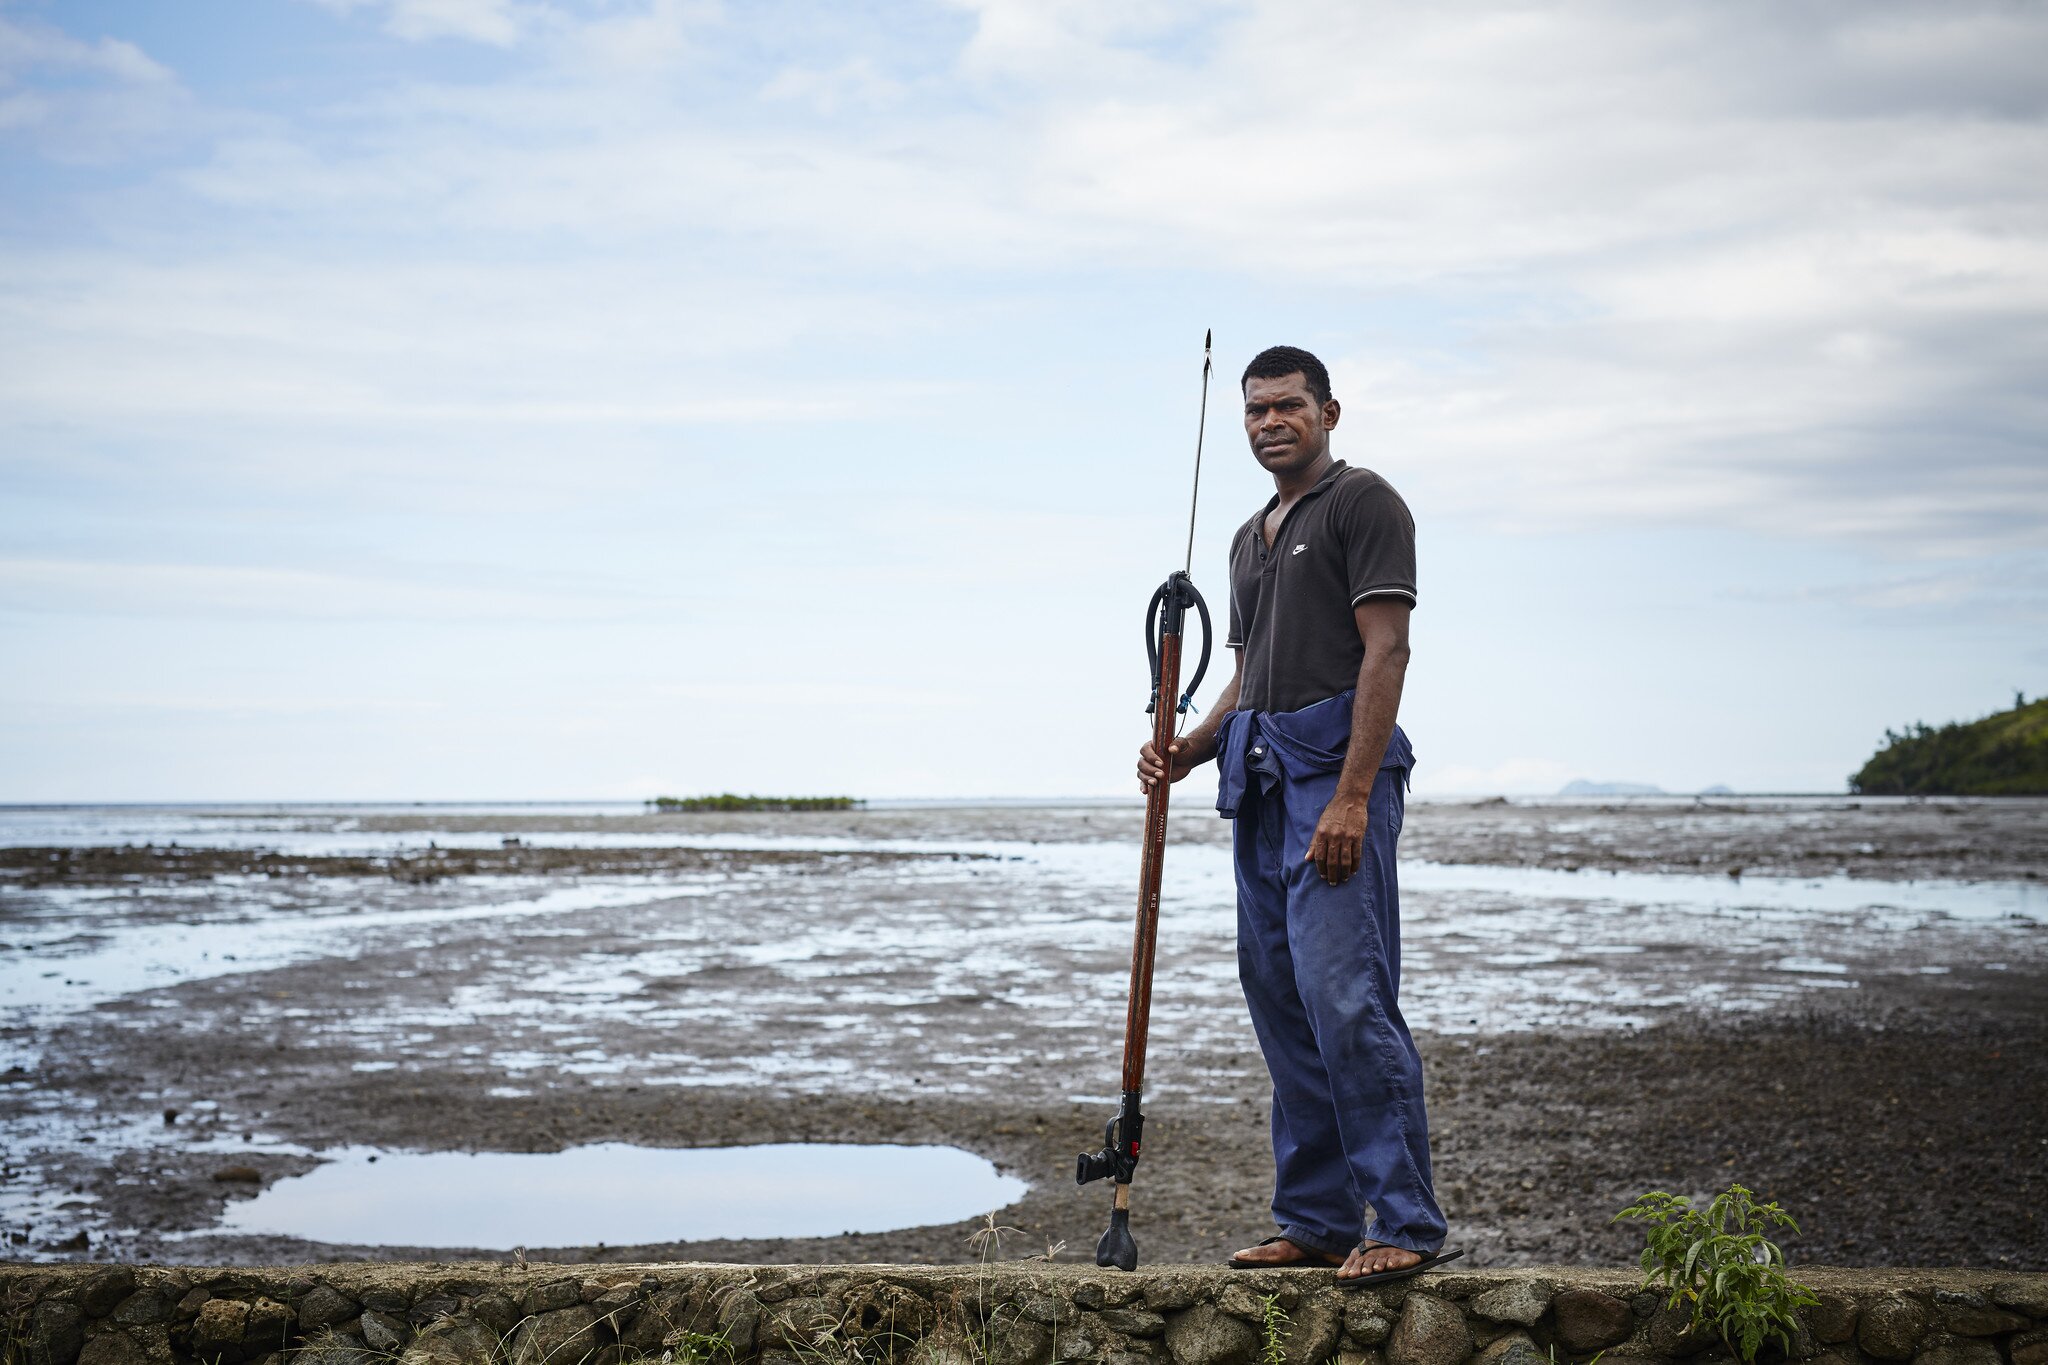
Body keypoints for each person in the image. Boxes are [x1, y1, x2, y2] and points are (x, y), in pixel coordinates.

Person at [1137, 345, 1456, 1284]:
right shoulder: (1249, 536)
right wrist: (1188, 750)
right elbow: (1248, 673)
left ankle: (1403, 1219)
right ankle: (1316, 1219)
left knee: (1347, 998)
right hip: (1262, 785)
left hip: (1335, 780)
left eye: (1287, 407)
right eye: (1255, 411)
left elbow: (1387, 650)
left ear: (1329, 411)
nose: (1270, 423)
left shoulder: (1366, 504)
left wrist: (1354, 795)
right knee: (1282, 1004)